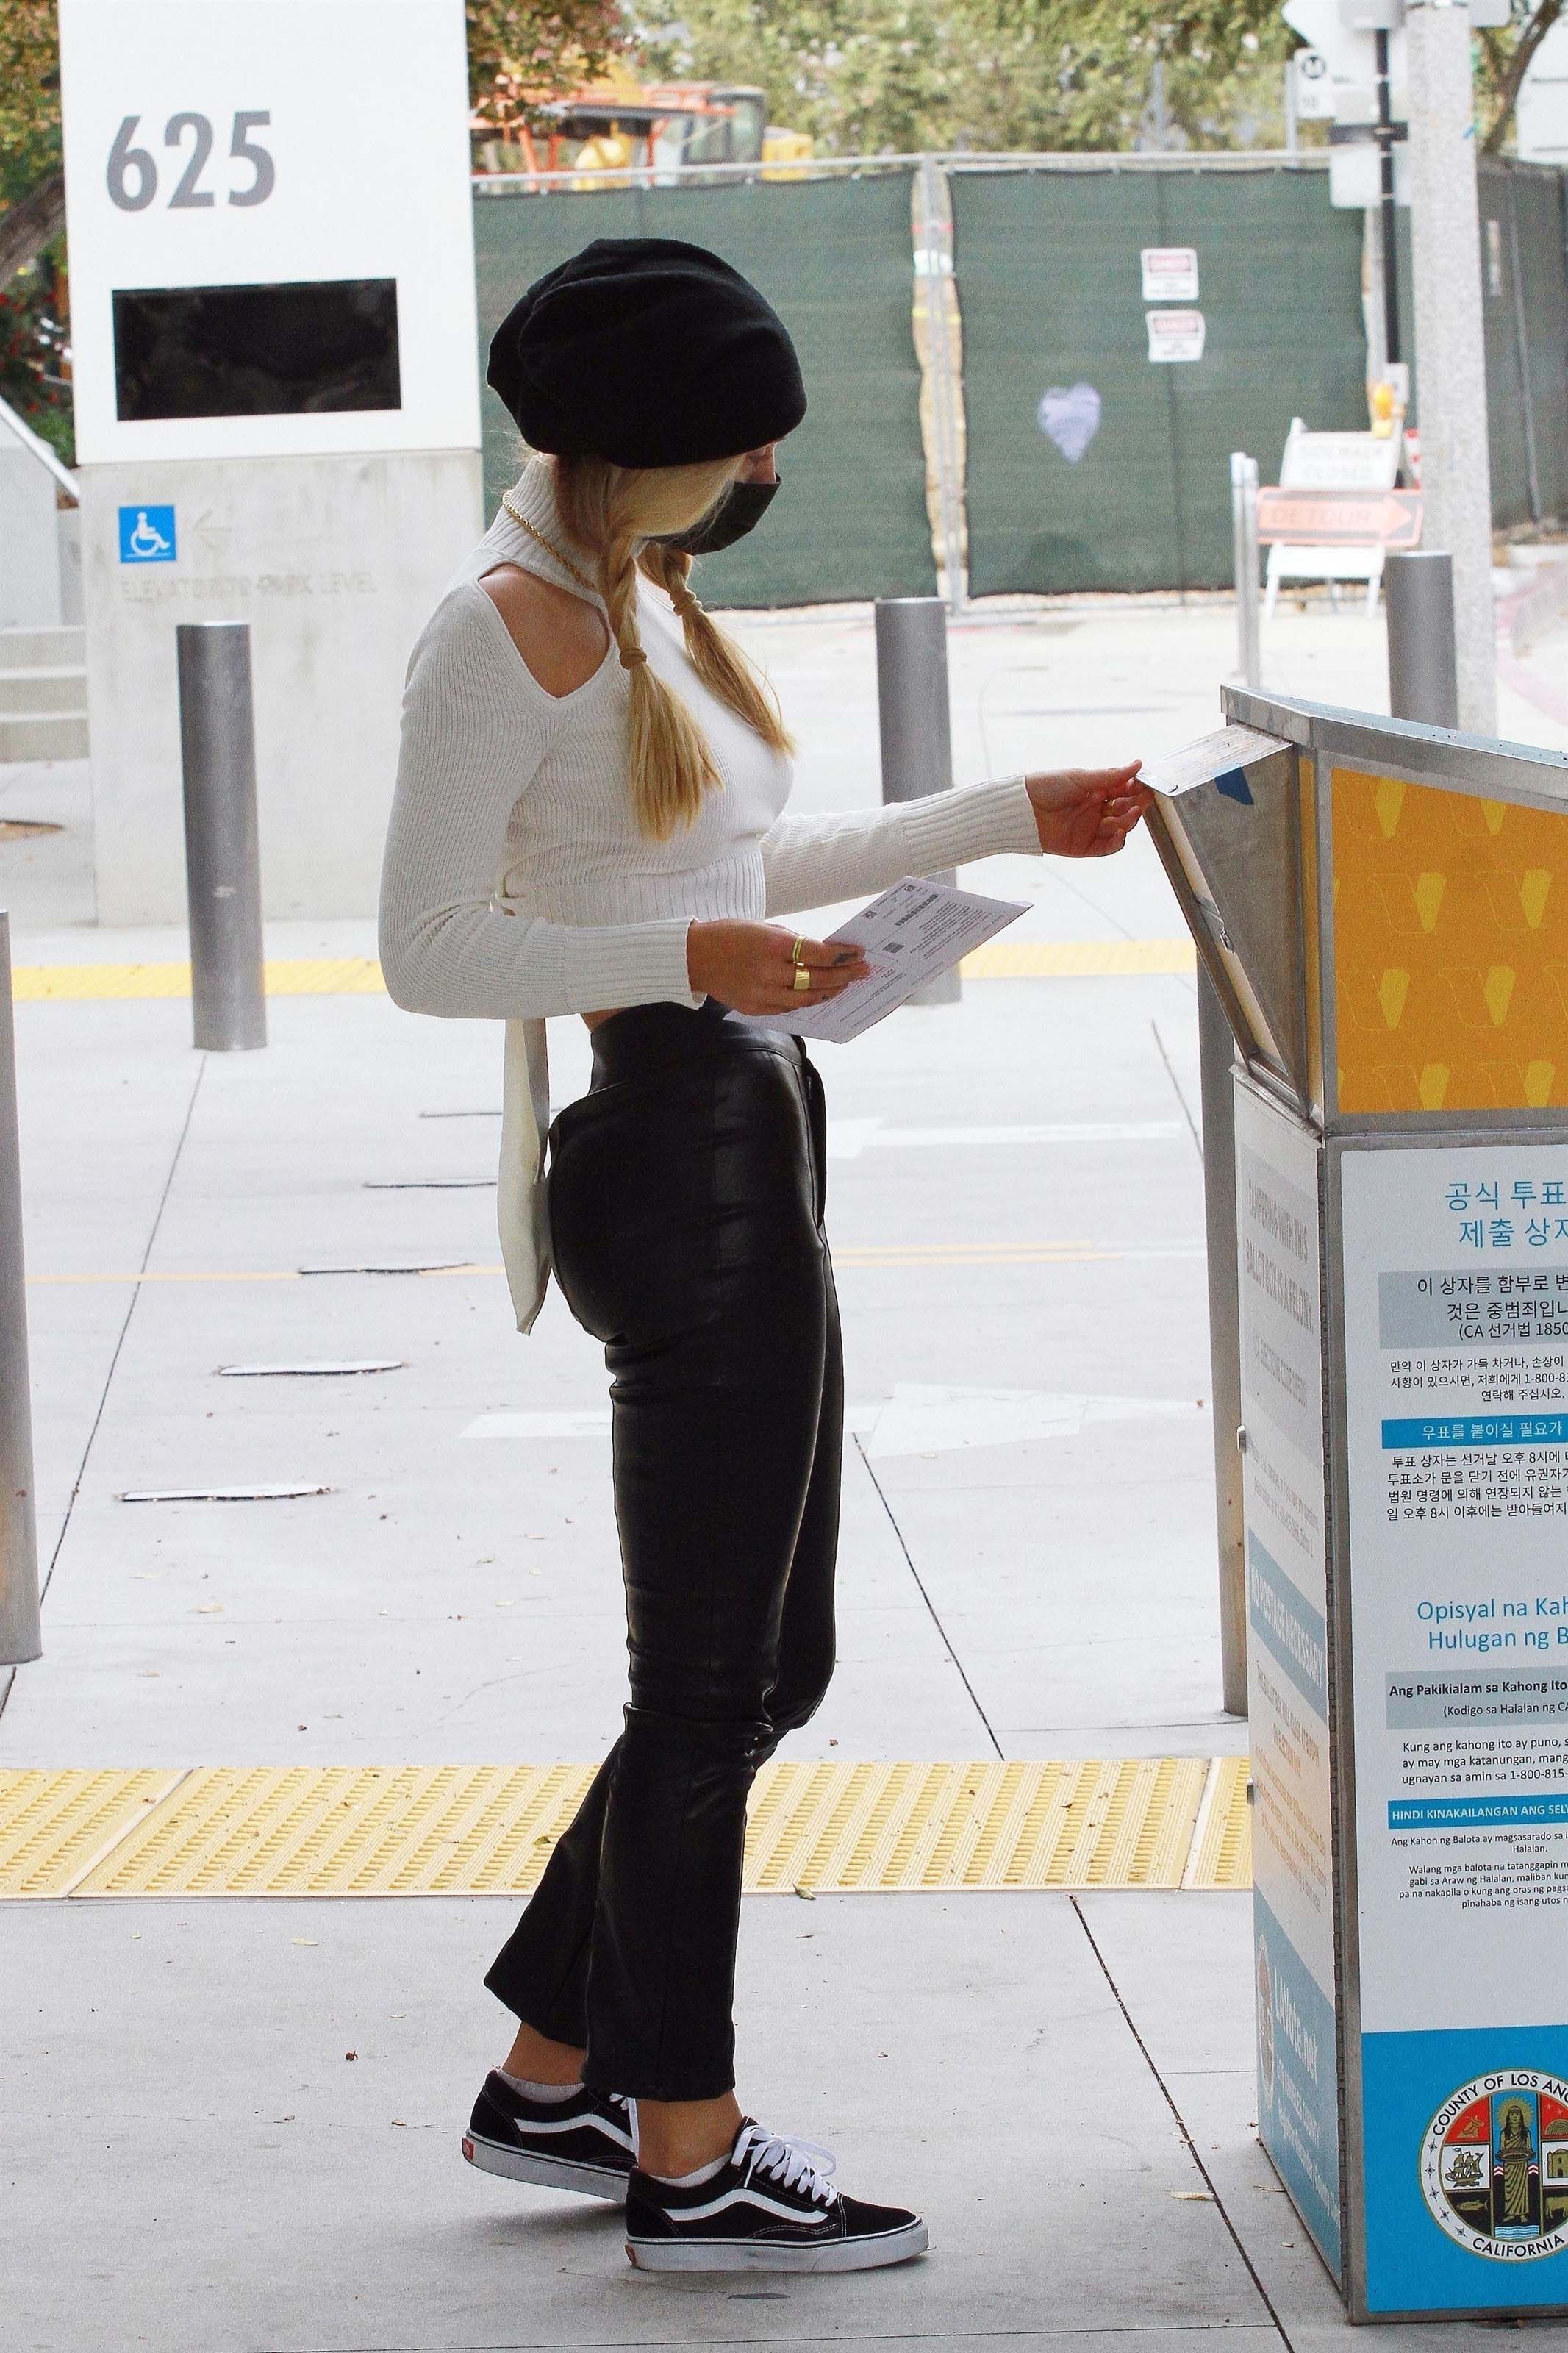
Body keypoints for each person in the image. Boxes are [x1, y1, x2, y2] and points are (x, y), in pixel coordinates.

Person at [379, 237, 1150, 2275]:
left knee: (768, 1665)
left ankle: (556, 2077)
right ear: (624, 450)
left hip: (749, 1120)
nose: (757, 473)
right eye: (734, 447)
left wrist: (1001, 813)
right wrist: (688, 962)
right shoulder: (500, 633)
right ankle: (688, 2155)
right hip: (671, 1143)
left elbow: (734, 866)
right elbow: (425, 948)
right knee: (710, 1686)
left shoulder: (639, 599)